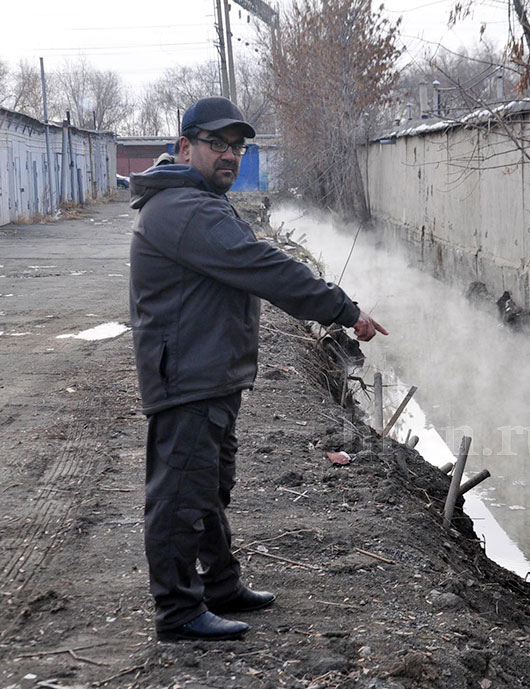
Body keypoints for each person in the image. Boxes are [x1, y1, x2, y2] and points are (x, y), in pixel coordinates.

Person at [128, 97, 387, 642]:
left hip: (209, 374)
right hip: (189, 380)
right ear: (183, 148)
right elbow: (263, 267)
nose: (229, 155)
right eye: (216, 144)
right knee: (180, 497)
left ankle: (220, 585)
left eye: (237, 147)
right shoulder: (186, 210)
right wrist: (343, 309)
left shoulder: (200, 202)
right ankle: (178, 613)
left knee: (208, 489)